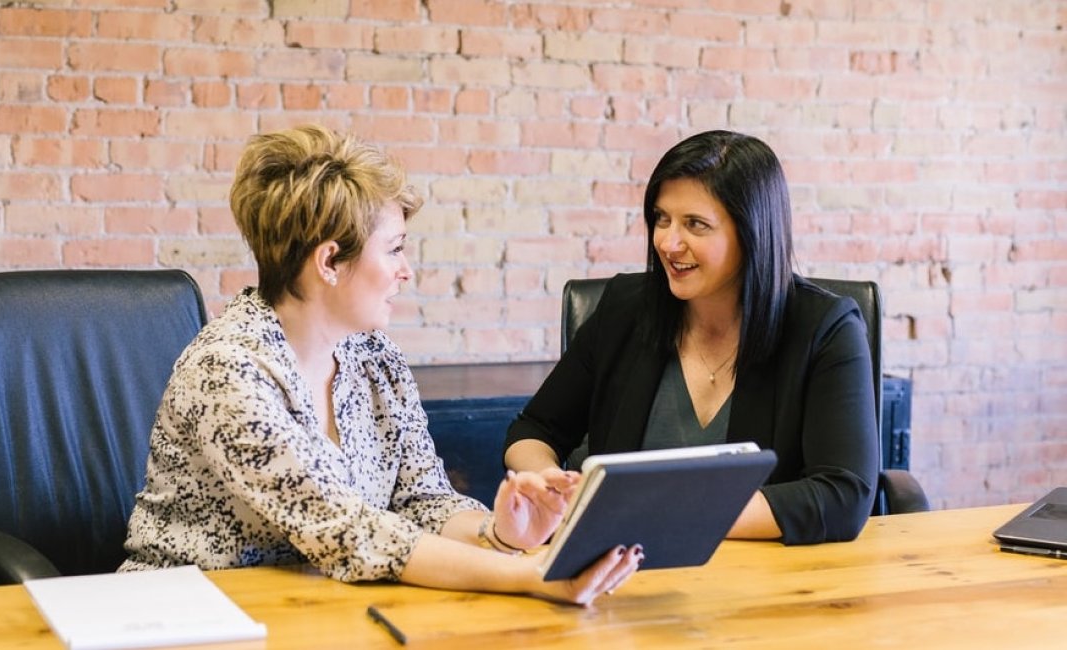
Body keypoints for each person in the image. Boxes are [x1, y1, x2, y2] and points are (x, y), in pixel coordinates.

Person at [119, 124, 642, 605]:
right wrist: (533, 575)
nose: (406, 271)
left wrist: (500, 534)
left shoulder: (374, 357)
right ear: (329, 262)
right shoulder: (228, 370)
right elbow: (348, 531)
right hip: (185, 617)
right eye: (394, 249)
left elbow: (422, 499)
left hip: (320, 611)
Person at [503, 130, 879, 545]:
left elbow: (843, 495)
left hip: (765, 579)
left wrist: (659, 514)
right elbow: (534, 429)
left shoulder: (825, 328)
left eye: (695, 225)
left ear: (752, 232)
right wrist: (547, 483)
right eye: (662, 219)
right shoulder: (626, 309)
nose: (668, 242)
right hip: (621, 572)